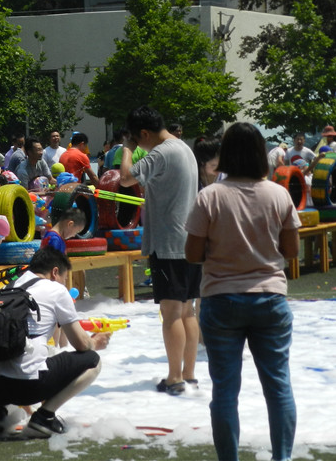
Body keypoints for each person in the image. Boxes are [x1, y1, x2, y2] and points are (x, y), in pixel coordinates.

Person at [185, 122, 300, 461]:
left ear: (226, 155)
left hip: (221, 300)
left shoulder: (210, 196)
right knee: (278, 387)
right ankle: (282, 456)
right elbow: (292, 250)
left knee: (224, 391)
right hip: (270, 298)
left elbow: (192, 254)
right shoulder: (278, 194)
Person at [0, 247, 110, 439]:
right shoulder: (56, 290)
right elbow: (81, 344)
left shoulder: (9, 287)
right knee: (93, 360)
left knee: (16, 355)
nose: (64, 283)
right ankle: (44, 417)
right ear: (55, 272)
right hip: (26, 387)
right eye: (64, 278)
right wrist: (96, 342)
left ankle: (1, 413)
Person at [119, 105, 200, 396]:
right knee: (187, 310)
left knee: (171, 312)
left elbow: (125, 178)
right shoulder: (184, 148)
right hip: (190, 241)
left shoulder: (162, 152)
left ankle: (174, 378)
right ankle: (188, 375)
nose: (138, 145)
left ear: (143, 133)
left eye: (137, 139)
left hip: (169, 244)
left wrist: (126, 149)